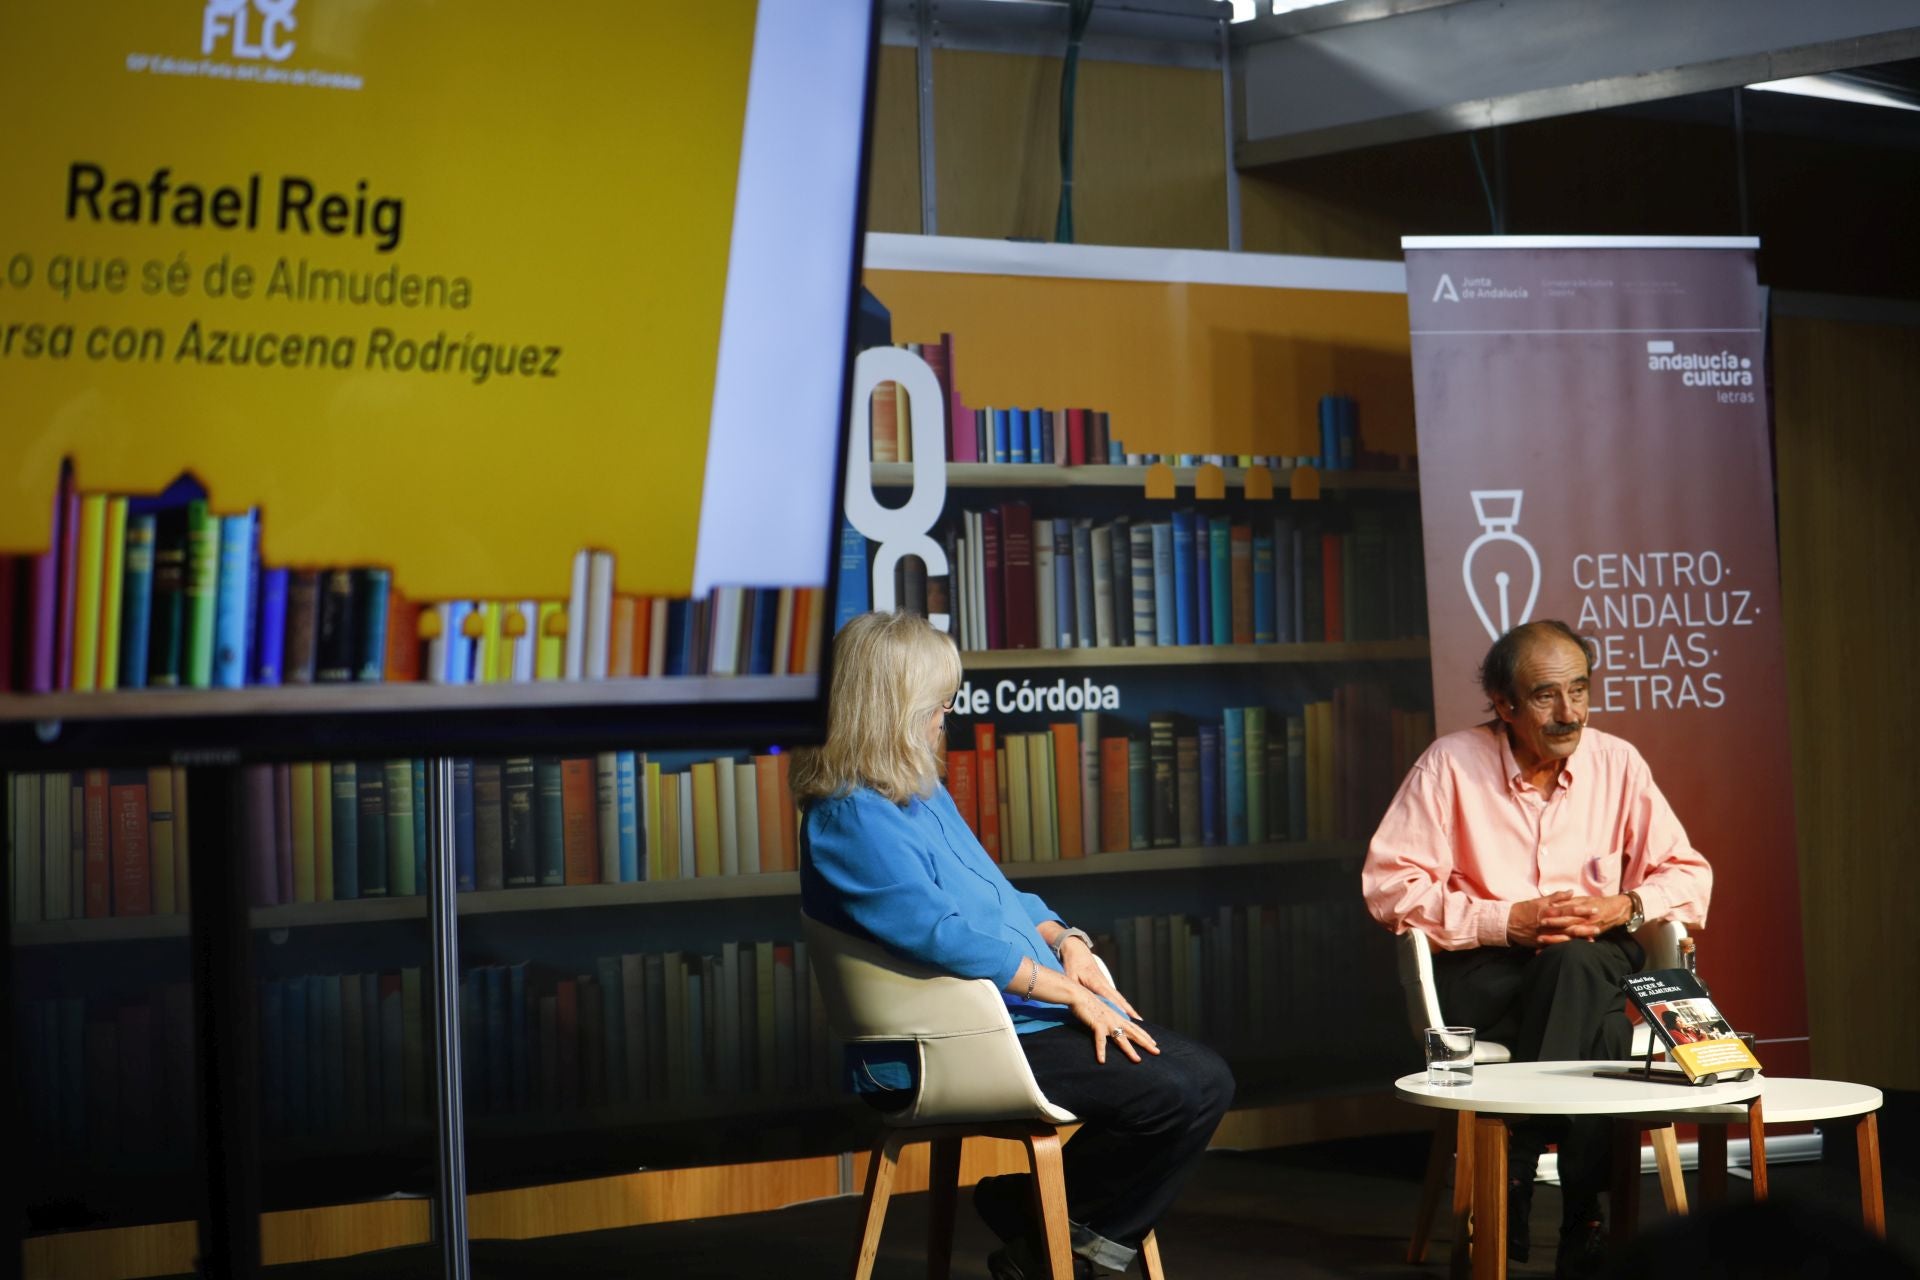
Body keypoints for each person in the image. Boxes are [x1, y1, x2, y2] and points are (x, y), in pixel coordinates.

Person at [796, 611, 1235, 1280]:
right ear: (891, 709)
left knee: (1205, 1079)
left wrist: (1071, 943)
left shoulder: (918, 791)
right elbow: (941, 934)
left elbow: (1001, 898)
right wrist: (1063, 989)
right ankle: (1055, 1242)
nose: (947, 718)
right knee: (1174, 1090)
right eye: (937, 705)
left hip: (1014, 1017)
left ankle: (1039, 1226)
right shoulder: (847, 816)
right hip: (945, 1045)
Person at [1362, 620, 1712, 1280]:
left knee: (1577, 962)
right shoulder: (1450, 765)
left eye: (1580, 690)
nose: (1570, 712)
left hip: (1592, 954)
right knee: (1599, 1018)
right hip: (1485, 971)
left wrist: (1626, 906)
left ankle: (1516, 1165)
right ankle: (1584, 1213)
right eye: (1547, 695)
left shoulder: (1618, 763)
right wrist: (1505, 920)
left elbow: (1690, 873)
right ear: (1504, 704)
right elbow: (1390, 888)